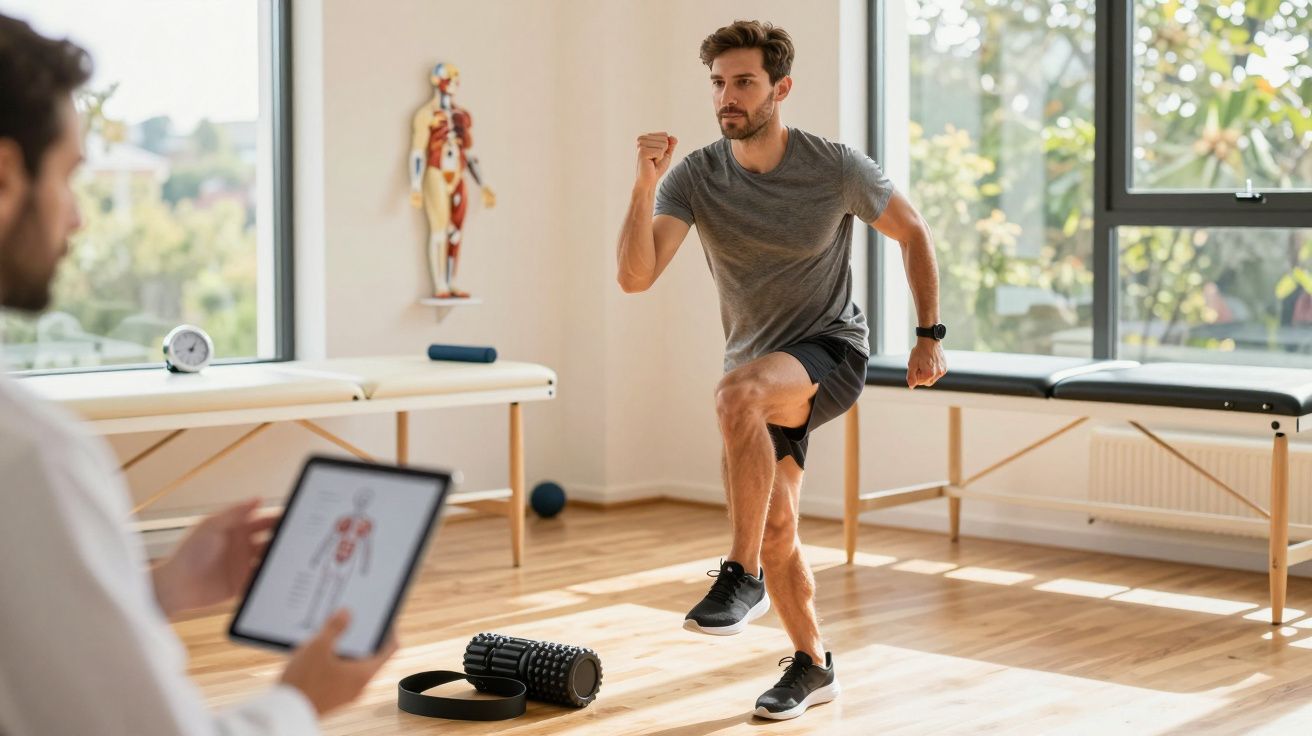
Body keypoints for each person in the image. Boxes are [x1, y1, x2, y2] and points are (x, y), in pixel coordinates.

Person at [0, 14, 394, 735]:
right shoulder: (32, 457)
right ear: (4, 178)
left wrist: (156, 590)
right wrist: (301, 698)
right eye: (69, 176)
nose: (78, 218)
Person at [615, 19, 947, 720]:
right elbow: (636, 276)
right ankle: (813, 663)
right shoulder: (698, 176)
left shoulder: (835, 168)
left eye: (743, 82)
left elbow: (913, 231)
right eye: (717, 83)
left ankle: (741, 577)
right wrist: (644, 184)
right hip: (760, 375)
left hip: (831, 352)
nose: (726, 97)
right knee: (778, 524)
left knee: (737, 393)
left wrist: (928, 336)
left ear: (780, 89)